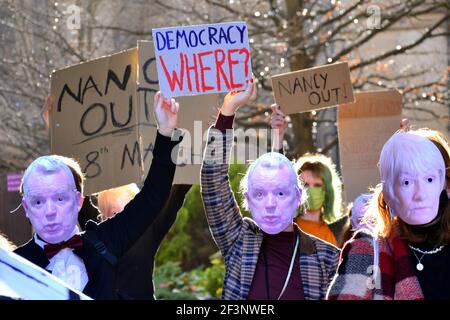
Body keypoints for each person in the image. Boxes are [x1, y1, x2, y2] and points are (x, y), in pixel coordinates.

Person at [14, 91, 181, 299]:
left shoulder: (105, 240)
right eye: (38, 201)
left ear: (78, 201)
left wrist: (165, 133)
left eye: (59, 199)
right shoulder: (11, 267)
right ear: (26, 209)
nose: (50, 211)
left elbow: (154, 195)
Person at [201, 83, 340, 300]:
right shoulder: (240, 241)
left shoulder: (327, 258)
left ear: (298, 197)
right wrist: (228, 111)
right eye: (259, 194)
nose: (270, 204)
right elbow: (213, 182)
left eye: (281, 194)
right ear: (247, 199)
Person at [326, 128, 450, 300]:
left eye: (429, 179)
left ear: (446, 183)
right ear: (390, 191)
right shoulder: (367, 252)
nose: (420, 194)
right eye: (406, 182)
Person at [270, 105, 348, 247]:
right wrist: (278, 135)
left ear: (327, 190)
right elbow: (277, 179)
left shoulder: (341, 232)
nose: (311, 190)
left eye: (317, 185)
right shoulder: (285, 228)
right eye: (305, 185)